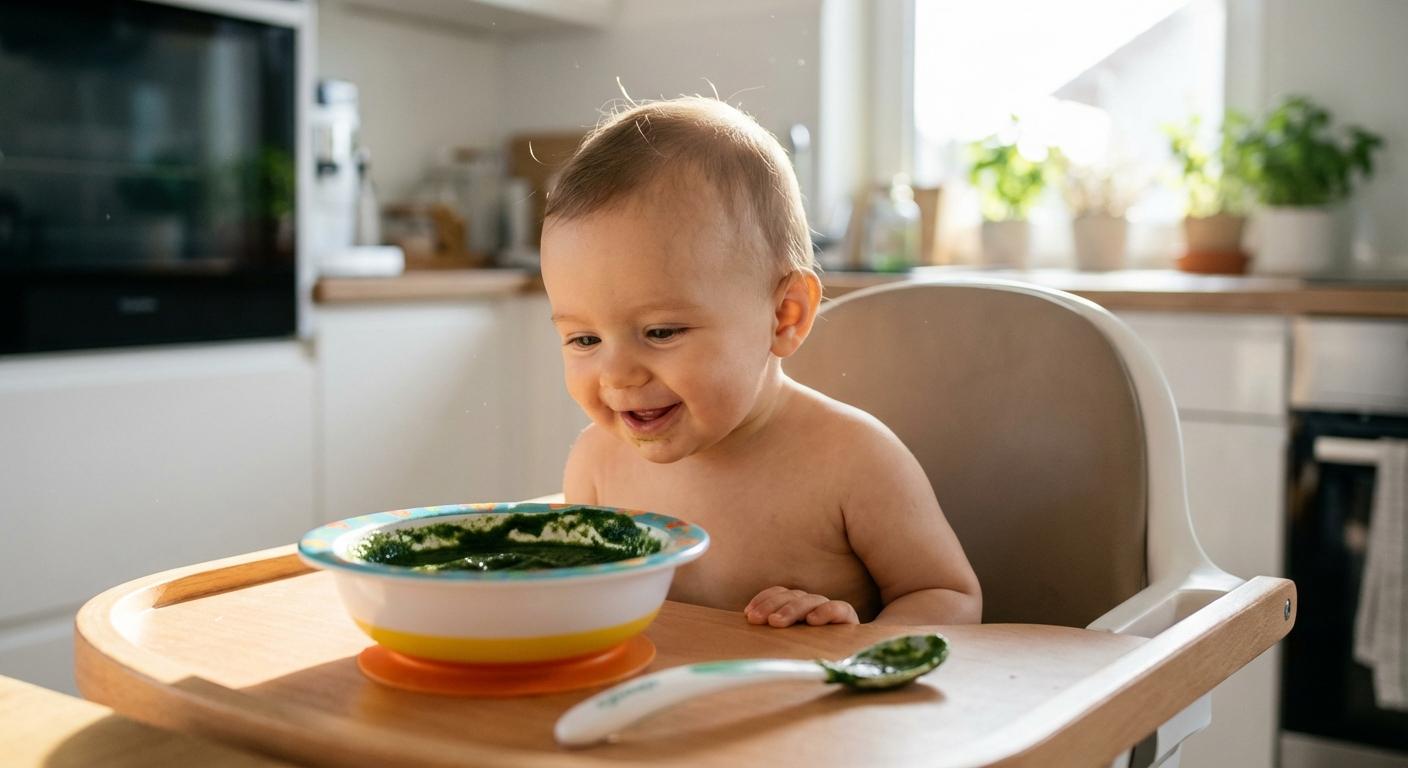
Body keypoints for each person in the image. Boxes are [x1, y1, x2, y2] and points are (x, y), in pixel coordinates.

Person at [540, 97, 980, 627]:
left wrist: (861, 642)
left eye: (660, 332)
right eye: (584, 340)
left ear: (784, 316)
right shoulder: (596, 466)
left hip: (808, 704)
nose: (617, 375)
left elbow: (948, 595)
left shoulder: (852, 461)